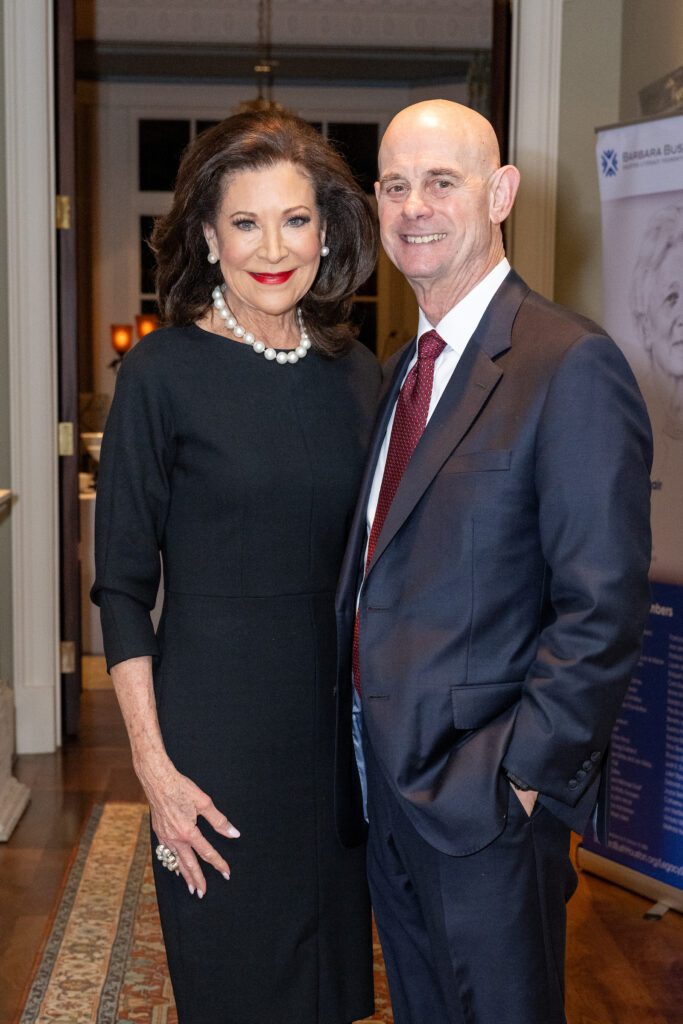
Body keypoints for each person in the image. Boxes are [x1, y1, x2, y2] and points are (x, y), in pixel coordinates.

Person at [334, 99, 652, 1024]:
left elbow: (601, 604)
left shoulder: (569, 364)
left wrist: (517, 777)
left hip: (485, 802)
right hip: (385, 781)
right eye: (394, 185)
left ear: (500, 192)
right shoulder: (402, 368)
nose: (413, 207)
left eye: (441, 182)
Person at [92, 109, 380, 1024]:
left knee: (332, 989)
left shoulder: (361, 377)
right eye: (245, 223)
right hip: (213, 738)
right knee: (233, 988)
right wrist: (154, 766)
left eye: (294, 220)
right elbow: (123, 587)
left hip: (336, 743)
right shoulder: (160, 375)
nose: (272, 248)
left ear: (326, 230)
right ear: (209, 237)